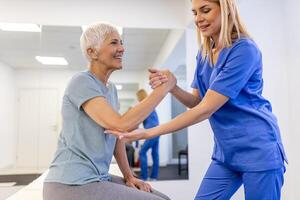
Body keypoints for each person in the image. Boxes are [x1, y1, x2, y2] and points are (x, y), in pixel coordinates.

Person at [107, 0, 288, 199]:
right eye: (194, 13)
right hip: (226, 153)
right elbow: (197, 102)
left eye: (205, 10)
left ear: (226, 10)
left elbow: (205, 110)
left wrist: (148, 133)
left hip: (258, 149)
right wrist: (173, 86)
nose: (198, 19)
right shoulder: (204, 53)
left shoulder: (244, 50)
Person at [43, 22, 172, 200]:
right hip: (71, 183)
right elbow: (121, 124)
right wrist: (164, 89)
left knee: (163, 197)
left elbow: (117, 134)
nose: (121, 48)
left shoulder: (111, 89)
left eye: (121, 42)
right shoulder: (81, 81)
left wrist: (129, 176)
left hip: (97, 178)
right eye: (113, 43)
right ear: (92, 52)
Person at [136, 89, 160, 181]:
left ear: (139, 97)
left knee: (142, 152)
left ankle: (144, 177)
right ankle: (154, 177)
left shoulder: (143, 105)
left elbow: (138, 120)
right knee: (155, 153)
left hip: (151, 131)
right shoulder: (151, 104)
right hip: (158, 130)